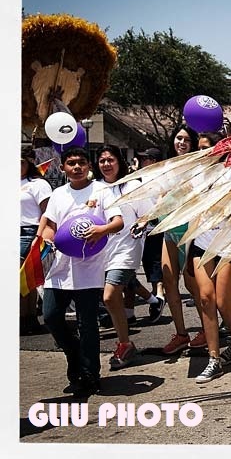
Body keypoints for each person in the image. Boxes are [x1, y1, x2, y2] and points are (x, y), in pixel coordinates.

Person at [37, 147, 124, 394]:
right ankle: (73, 353)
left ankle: (89, 374)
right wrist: (48, 240)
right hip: (60, 267)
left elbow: (117, 221)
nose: (77, 167)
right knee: (52, 315)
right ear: (63, 168)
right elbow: (49, 226)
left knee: (88, 324)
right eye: (71, 163)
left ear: (89, 166)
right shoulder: (58, 194)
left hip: (89, 266)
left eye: (82, 163)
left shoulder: (101, 190)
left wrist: (101, 230)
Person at [94, 145, 163, 369]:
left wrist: (141, 225)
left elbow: (148, 212)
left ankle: (124, 343)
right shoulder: (95, 188)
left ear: (120, 161)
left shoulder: (132, 185)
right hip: (99, 251)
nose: (106, 164)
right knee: (110, 299)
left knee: (109, 296)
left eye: (110, 160)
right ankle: (125, 343)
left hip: (126, 249)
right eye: (102, 160)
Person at [191, 131, 231, 383]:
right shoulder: (194, 176)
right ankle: (214, 359)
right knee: (205, 297)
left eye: (208, 148)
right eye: (200, 148)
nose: (204, 153)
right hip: (201, 243)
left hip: (230, 244)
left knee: (224, 303)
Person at [160, 124, 201, 355]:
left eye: (186, 139)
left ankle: (207, 329)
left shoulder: (198, 166)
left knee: (192, 284)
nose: (181, 143)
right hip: (169, 230)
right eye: (178, 138)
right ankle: (181, 334)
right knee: (168, 282)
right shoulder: (165, 167)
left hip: (190, 231)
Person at [20, 146, 52, 335]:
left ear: (29, 163)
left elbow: (47, 212)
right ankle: (26, 319)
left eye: (21, 162)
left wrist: (39, 236)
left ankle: (28, 319)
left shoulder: (38, 184)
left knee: (23, 277)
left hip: (29, 232)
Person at [136, 147, 166, 301]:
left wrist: (148, 218)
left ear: (153, 160)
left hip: (153, 222)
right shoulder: (144, 176)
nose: (142, 161)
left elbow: (159, 199)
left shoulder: (158, 177)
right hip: (145, 222)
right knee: (149, 259)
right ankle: (157, 289)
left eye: (145, 158)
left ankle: (158, 289)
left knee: (153, 258)